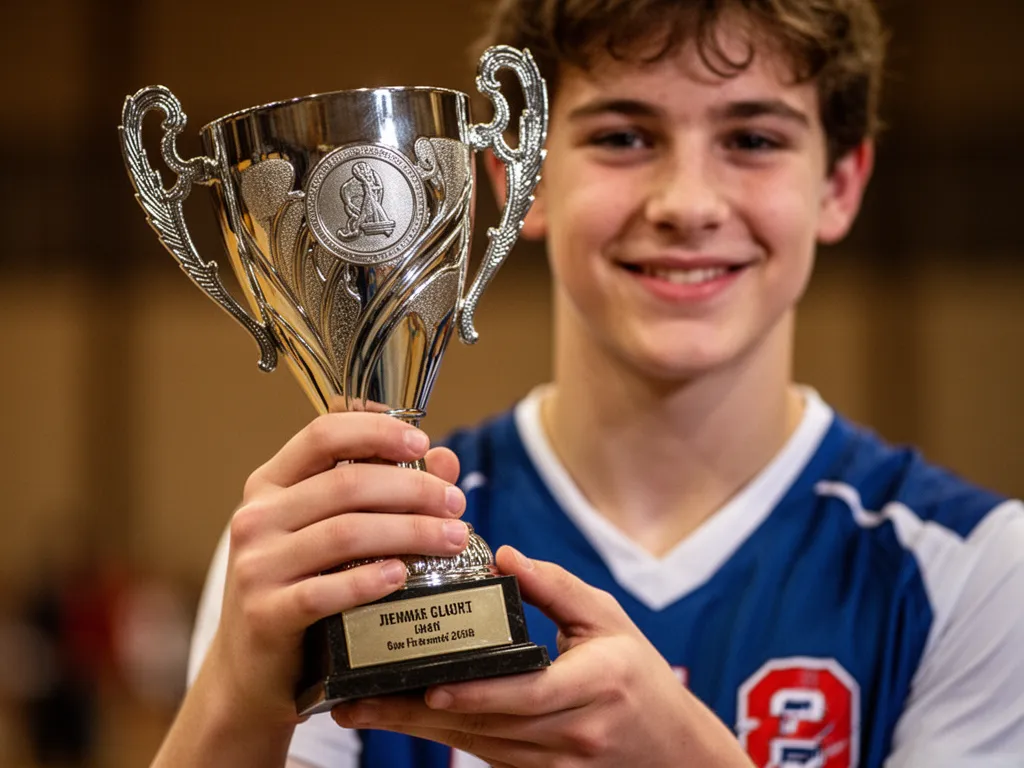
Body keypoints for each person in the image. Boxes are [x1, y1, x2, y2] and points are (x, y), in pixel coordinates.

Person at [155, 1, 1024, 766]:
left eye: (753, 139)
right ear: (518, 183)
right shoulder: (346, 540)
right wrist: (237, 694)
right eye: (623, 137)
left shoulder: (977, 569)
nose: (686, 202)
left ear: (838, 184)